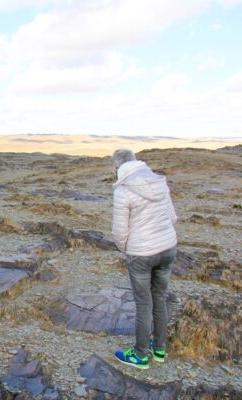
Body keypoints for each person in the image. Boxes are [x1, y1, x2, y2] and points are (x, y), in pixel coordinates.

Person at [111, 149, 178, 370]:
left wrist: (127, 249)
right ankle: (158, 348)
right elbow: (173, 217)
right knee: (159, 297)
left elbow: (120, 231)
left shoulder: (123, 190)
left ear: (117, 167)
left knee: (143, 303)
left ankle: (140, 355)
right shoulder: (158, 181)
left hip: (141, 253)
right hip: (168, 248)